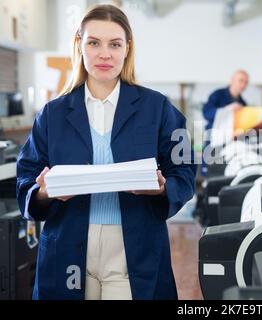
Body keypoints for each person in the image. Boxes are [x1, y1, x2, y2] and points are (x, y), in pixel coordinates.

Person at [16, 4, 196, 300]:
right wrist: (44, 192)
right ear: (80, 46)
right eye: (93, 43)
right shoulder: (52, 114)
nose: (104, 54)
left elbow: (185, 171)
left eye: (114, 44)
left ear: (127, 48)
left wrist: (163, 188)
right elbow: (25, 180)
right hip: (69, 246)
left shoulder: (157, 108)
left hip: (132, 249)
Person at [201, 70, 249, 175]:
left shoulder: (243, 104)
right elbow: (206, 113)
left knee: (224, 175)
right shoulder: (217, 95)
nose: (243, 84)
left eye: (246, 82)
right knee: (210, 174)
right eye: (241, 80)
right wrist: (227, 109)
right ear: (232, 80)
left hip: (231, 147)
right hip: (214, 143)